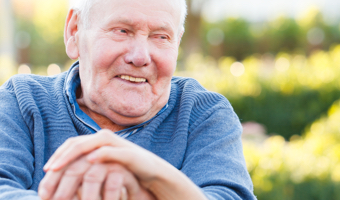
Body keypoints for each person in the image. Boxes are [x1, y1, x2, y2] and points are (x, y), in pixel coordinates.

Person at [0, 0, 257, 199]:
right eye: (122, 30)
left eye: (161, 36)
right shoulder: (22, 101)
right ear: (74, 31)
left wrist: (150, 175)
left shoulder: (203, 114)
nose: (140, 56)